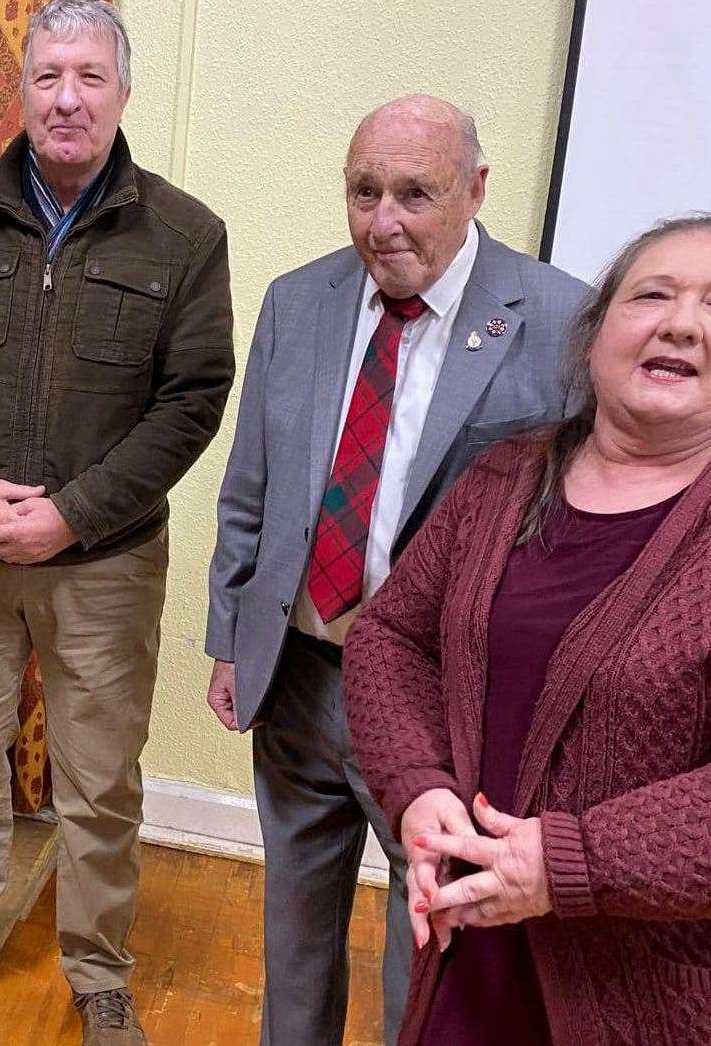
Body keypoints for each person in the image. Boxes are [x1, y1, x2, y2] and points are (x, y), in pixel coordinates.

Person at [0, 0, 235, 1046]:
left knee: (97, 779)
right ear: (22, 88)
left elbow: (192, 398)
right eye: (47, 76)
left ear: (123, 91)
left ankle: (98, 968)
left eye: (88, 76)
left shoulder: (184, 232)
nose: (67, 97)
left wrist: (73, 515)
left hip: (105, 563)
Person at [203, 95, 590, 1043]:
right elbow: (251, 480)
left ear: (476, 190)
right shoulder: (301, 299)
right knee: (293, 921)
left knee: (427, 941)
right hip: (297, 671)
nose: (385, 221)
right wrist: (229, 635)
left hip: (439, 698)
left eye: (416, 193)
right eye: (364, 191)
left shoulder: (561, 317)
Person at [342, 213, 711, 1045]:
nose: (679, 321)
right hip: (469, 954)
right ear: (596, 330)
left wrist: (567, 863)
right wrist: (419, 787)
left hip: (654, 997)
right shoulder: (506, 473)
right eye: (651, 294)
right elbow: (390, 637)